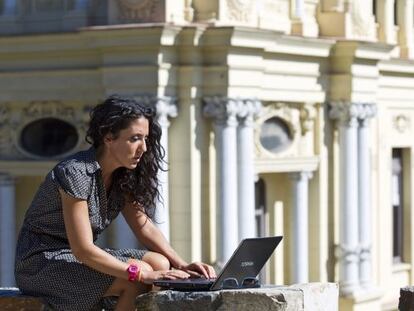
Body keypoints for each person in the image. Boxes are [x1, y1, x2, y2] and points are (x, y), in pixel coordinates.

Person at [14, 95, 216, 311]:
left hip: (77, 258)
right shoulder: (75, 172)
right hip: (40, 264)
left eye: (145, 138)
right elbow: (83, 250)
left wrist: (182, 264)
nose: (144, 148)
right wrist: (143, 274)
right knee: (138, 274)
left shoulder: (123, 175)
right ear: (108, 137)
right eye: (135, 138)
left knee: (160, 263)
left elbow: (143, 225)